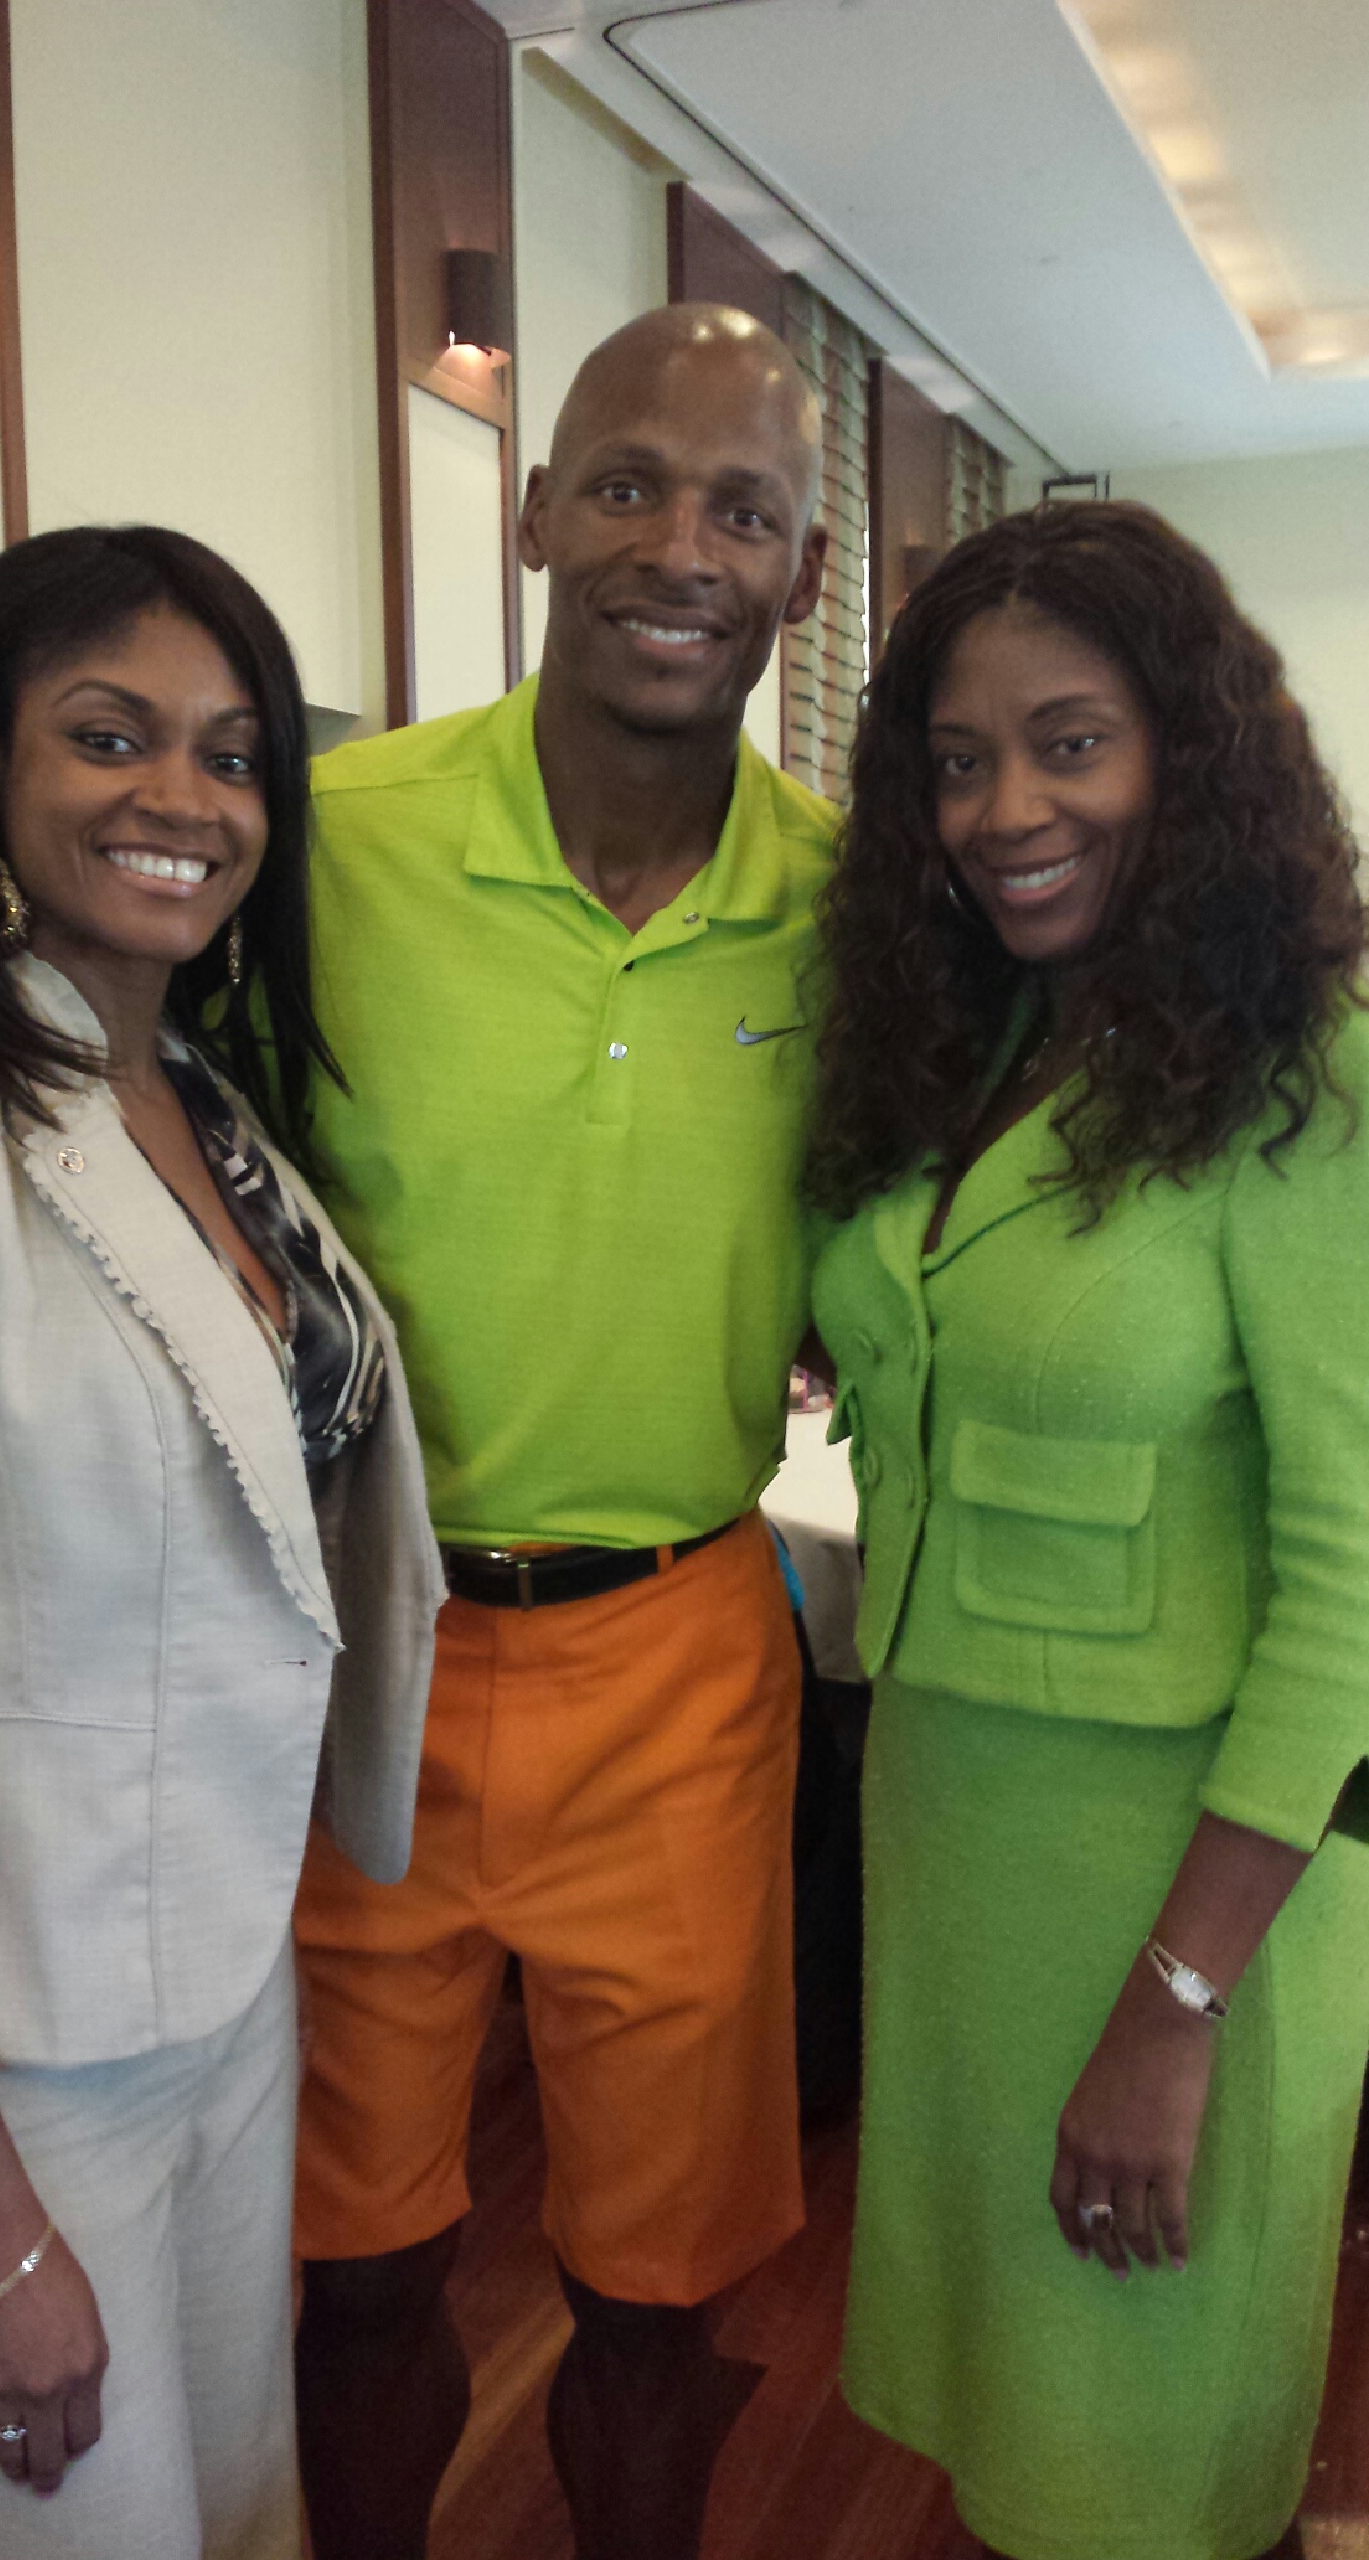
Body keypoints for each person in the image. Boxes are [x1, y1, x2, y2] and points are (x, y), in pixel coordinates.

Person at [291, 302, 833, 2560]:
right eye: (625, 480)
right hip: (349, 1649)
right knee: (354, 2261)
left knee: (652, 2283)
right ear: (527, 507)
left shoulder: (857, 904)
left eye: (743, 506)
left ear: (805, 572)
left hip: (683, 1660)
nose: (675, 544)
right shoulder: (324, 838)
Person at [809, 498, 1369, 2560]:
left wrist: (1175, 2008)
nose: (1007, 807)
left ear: (1188, 758)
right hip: (959, 1845)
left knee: (1139, 2457)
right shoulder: (993, 1050)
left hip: (1183, 1893)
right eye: (959, 761)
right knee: (1019, 2434)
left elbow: (1356, 1597)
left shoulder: (1312, 1083)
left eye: (1071, 741)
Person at [0, 526, 443, 2559]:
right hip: (24, 2047)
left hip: (229, 1974)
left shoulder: (199, 1090)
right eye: (108, 735)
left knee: (234, 2504)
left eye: (232, 755)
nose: (181, 796)